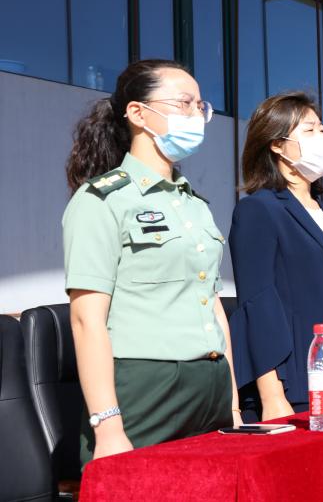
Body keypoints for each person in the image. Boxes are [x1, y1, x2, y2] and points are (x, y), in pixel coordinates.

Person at [63, 60, 238, 463]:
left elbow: (213, 306)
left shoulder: (195, 204)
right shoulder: (103, 200)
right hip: (148, 386)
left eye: (201, 106)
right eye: (184, 103)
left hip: (210, 384)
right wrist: (108, 427)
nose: (196, 115)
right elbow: (86, 320)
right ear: (138, 113)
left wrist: (231, 403)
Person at [229, 93, 323, 420]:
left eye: (322, 129)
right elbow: (257, 305)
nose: (321, 138)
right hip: (296, 384)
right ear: (277, 144)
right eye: (309, 130)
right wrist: (272, 395)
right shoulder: (259, 209)